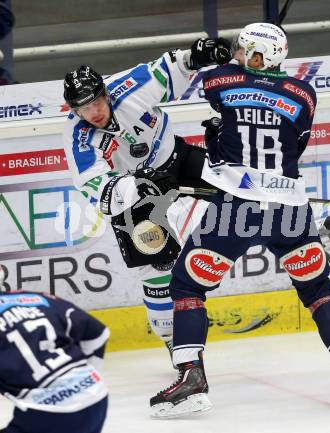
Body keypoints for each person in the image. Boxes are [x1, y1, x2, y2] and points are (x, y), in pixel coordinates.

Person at [150, 22, 330, 418]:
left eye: (244, 49)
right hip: (290, 209)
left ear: (258, 56)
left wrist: (219, 136)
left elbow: (216, 94)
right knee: (316, 287)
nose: (237, 54)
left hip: (237, 206)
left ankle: (191, 375)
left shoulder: (221, 79)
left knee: (186, 284)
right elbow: (295, 144)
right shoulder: (304, 93)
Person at [62, 38, 231, 360]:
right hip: (136, 197)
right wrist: (135, 185)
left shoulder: (129, 87)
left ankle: (307, 227)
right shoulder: (77, 136)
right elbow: (92, 183)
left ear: (105, 93)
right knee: (159, 264)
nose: (93, 112)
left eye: (96, 102)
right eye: (83, 108)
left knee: (238, 186)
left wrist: (200, 55)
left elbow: (170, 68)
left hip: (175, 158)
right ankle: (172, 338)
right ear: (74, 110)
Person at [0, 264, 110, 433]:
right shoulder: (34, 298)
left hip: (47, 414)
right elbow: (98, 333)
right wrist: (81, 381)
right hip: (95, 396)